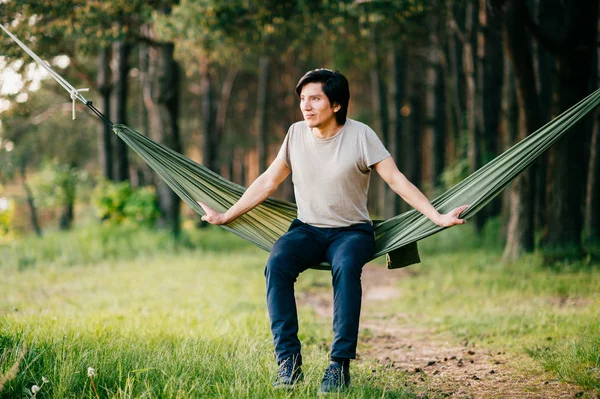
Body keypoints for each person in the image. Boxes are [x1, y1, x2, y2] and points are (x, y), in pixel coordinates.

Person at [198, 69, 468, 394]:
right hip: (307, 230)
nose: (306, 107)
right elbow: (268, 181)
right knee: (277, 264)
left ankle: (339, 366)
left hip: (352, 233)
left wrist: (436, 217)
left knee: (345, 267)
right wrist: (227, 215)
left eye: (315, 99)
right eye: (302, 100)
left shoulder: (361, 136)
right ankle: (288, 363)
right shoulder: (295, 134)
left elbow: (396, 180)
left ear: (336, 104)